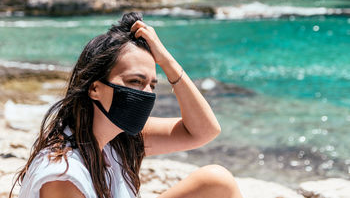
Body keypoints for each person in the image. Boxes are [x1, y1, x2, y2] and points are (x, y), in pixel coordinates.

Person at [10, 12, 243, 198]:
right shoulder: (64, 176)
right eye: (134, 81)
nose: (146, 94)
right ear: (94, 88)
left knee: (217, 181)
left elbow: (204, 131)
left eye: (152, 85)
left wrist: (167, 61)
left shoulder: (118, 140)